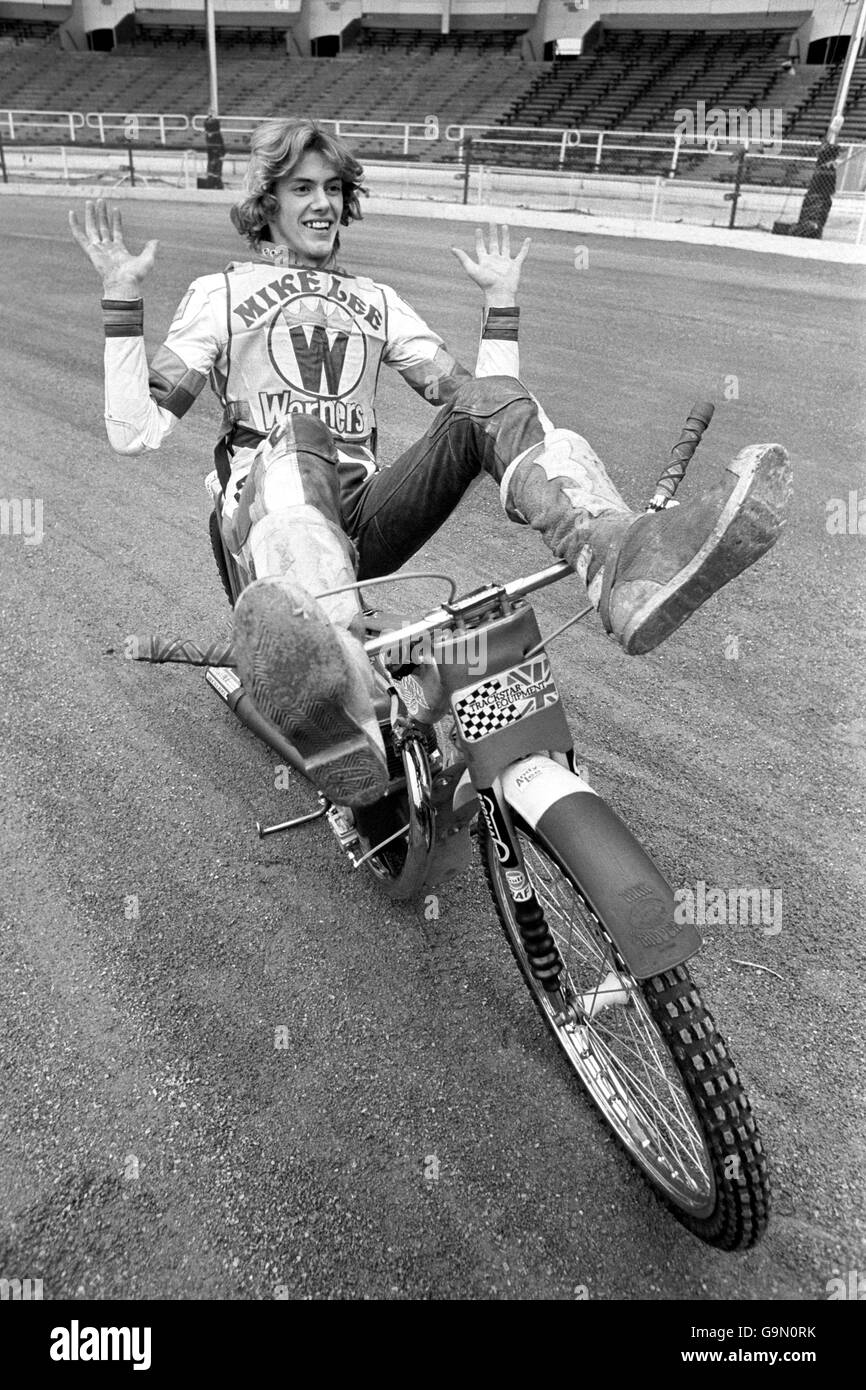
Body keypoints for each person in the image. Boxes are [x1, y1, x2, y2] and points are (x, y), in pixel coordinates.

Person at [69, 117, 791, 808]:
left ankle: (621, 559)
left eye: (331, 189)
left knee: (493, 400)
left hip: (355, 530)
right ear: (266, 205)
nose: (321, 204)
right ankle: (342, 691)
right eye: (300, 189)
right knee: (299, 434)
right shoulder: (220, 292)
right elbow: (136, 429)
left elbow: (472, 403)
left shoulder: (377, 301)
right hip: (263, 538)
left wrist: (501, 305)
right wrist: (120, 300)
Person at [203, 112, 226, 188]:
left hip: (213, 149)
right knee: (215, 166)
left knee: (212, 166)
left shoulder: (210, 132)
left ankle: (213, 182)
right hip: (216, 149)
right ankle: (215, 182)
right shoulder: (215, 130)